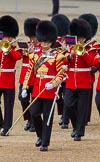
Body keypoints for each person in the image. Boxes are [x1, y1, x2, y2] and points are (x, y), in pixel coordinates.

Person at [21, 20, 66, 151]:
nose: (45, 43)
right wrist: (25, 87)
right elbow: (29, 72)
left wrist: (53, 84)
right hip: (37, 89)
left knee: (47, 117)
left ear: (51, 40)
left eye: (47, 41)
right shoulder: (35, 56)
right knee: (34, 113)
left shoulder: (57, 56)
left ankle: (45, 143)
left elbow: (61, 74)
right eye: (43, 41)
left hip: (49, 90)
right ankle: (40, 136)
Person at [63, 18, 93, 141]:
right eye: (77, 37)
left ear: (85, 38)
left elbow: (91, 62)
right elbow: (63, 60)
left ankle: (79, 132)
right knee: (68, 104)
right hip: (71, 81)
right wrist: (69, 56)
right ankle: (76, 126)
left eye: (81, 38)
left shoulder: (89, 48)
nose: (79, 40)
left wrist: (83, 52)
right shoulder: (71, 48)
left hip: (84, 82)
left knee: (82, 108)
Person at [0, 15, 22, 136]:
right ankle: (0, 122)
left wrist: (8, 51)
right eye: (5, 36)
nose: (6, 39)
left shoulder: (14, 49)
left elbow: (18, 57)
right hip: (0, 79)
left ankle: (6, 128)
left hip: (8, 81)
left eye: (8, 37)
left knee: (8, 106)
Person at [18, 17, 41, 132]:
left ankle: (33, 122)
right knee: (22, 99)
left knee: (34, 101)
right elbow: (18, 56)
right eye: (31, 37)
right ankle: (28, 119)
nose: (33, 39)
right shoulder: (26, 46)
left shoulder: (42, 48)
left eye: (35, 37)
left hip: (36, 78)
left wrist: (33, 53)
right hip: (25, 78)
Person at [78, 13, 100, 125]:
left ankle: (85, 118)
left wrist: (94, 67)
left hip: (88, 75)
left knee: (86, 99)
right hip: (75, 74)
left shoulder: (94, 45)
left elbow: (96, 61)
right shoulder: (75, 43)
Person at [51, 13, 70, 129]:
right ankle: (62, 114)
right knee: (57, 95)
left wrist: (66, 50)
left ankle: (65, 119)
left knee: (67, 96)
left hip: (67, 72)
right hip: (58, 72)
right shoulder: (55, 40)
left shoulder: (70, 40)